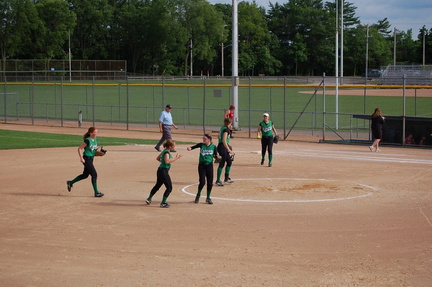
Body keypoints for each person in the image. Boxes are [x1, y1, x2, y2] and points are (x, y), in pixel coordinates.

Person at [66, 127, 104, 197]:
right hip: (86, 159)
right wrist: (81, 158)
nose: (96, 133)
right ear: (91, 133)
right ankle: (96, 192)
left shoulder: (95, 139)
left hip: (91, 159)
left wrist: (100, 152)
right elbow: (79, 148)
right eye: (95, 132)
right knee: (94, 174)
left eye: (96, 132)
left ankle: (70, 182)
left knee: (85, 175)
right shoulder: (87, 140)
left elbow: (93, 150)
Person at [146, 140, 182, 208]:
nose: (174, 147)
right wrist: (176, 158)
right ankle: (163, 203)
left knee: (157, 185)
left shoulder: (164, 151)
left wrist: (162, 162)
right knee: (169, 187)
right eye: (174, 146)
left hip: (160, 170)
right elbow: (167, 161)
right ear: (170, 146)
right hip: (163, 171)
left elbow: (158, 158)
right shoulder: (166, 153)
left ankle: (149, 199)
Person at [187, 134, 218, 204]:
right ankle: (198, 195)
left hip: (209, 166)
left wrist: (219, 158)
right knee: (202, 182)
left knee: (210, 183)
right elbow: (193, 147)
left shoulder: (213, 146)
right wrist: (190, 148)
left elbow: (215, 156)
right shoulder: (201, 145)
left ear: (209, 139)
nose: (204, 140)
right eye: (203, 139)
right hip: (202, 166)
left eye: (205, 139)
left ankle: (208, 198)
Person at [215, 118, 234, 186]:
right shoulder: (225, 130)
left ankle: (226, 178)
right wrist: (228, 149)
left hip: (222, 147)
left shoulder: (222, 128)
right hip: (223, 147)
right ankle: (218, 180)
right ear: (228, 124)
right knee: (222, 163)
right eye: (230, 124)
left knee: (229, 162)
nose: (231, 125)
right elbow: (224, 140)